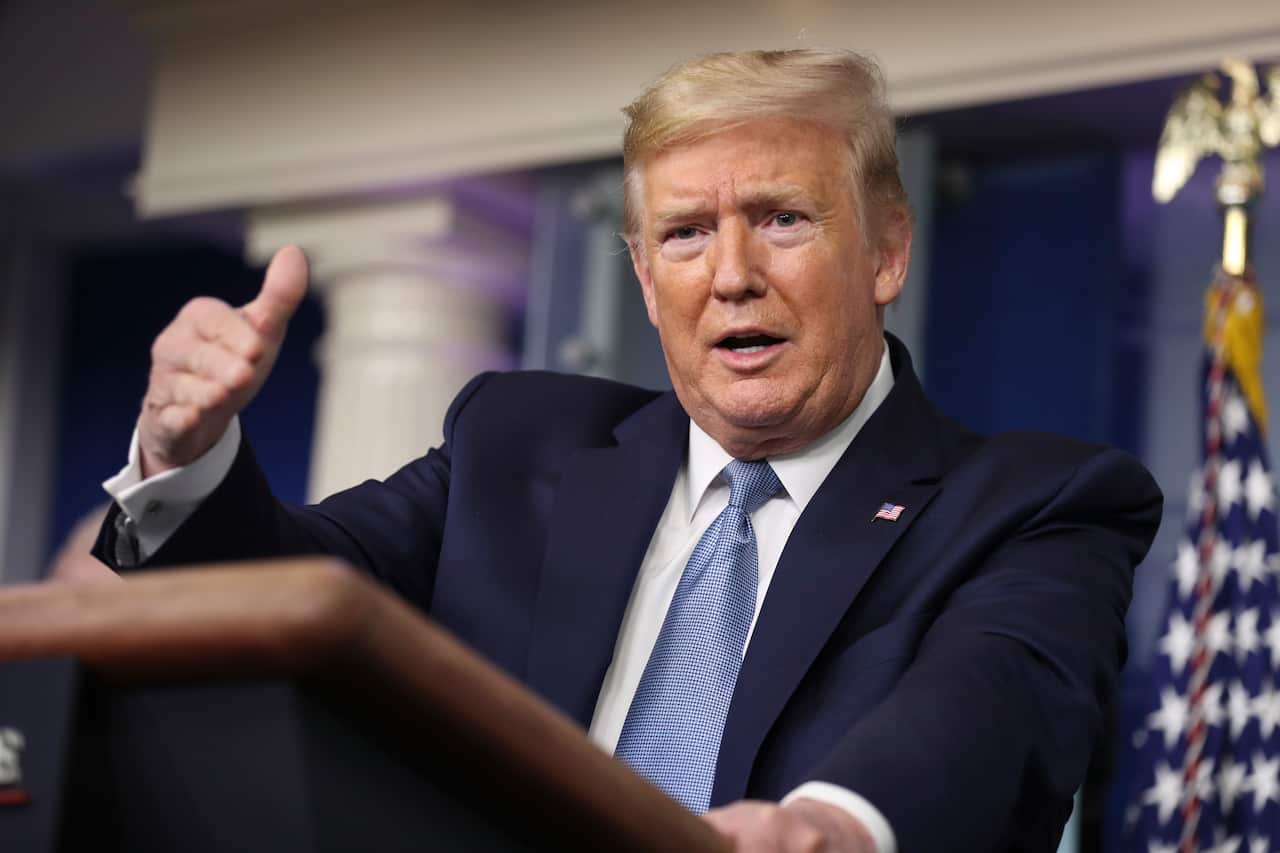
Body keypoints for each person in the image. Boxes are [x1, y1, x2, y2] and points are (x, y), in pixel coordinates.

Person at [94, 49, 1162, 852]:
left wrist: (825, 826)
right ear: (645, 281)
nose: (729, 274)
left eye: (782, 219)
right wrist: (185, 453)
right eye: (685, 234)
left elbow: (988, 709)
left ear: (885, 250)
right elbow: (289, 596)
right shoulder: (516, 445)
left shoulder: (1033, 504)